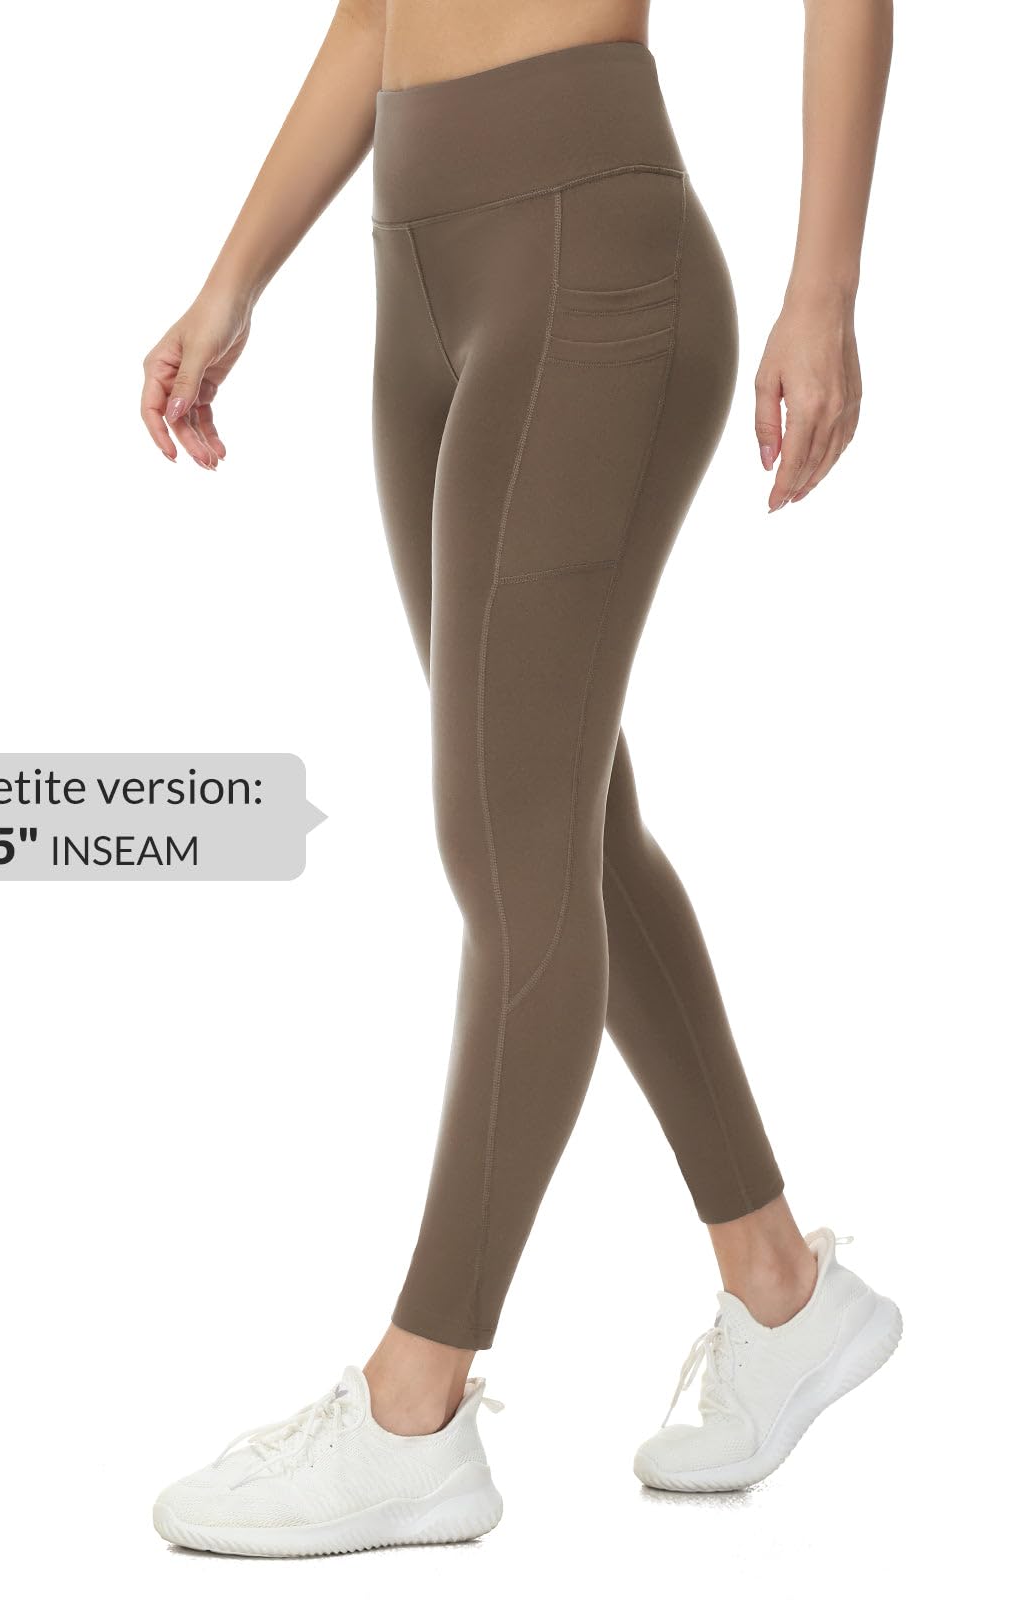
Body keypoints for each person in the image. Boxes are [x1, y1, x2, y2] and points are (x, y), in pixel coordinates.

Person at [141, 0, 899, 1556]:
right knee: (561, 824)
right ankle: (782, 1291)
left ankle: (411, 1409)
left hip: (588, 252)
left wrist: (821, 291)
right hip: (416, 265)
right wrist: (234, 277)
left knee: (508, 848)